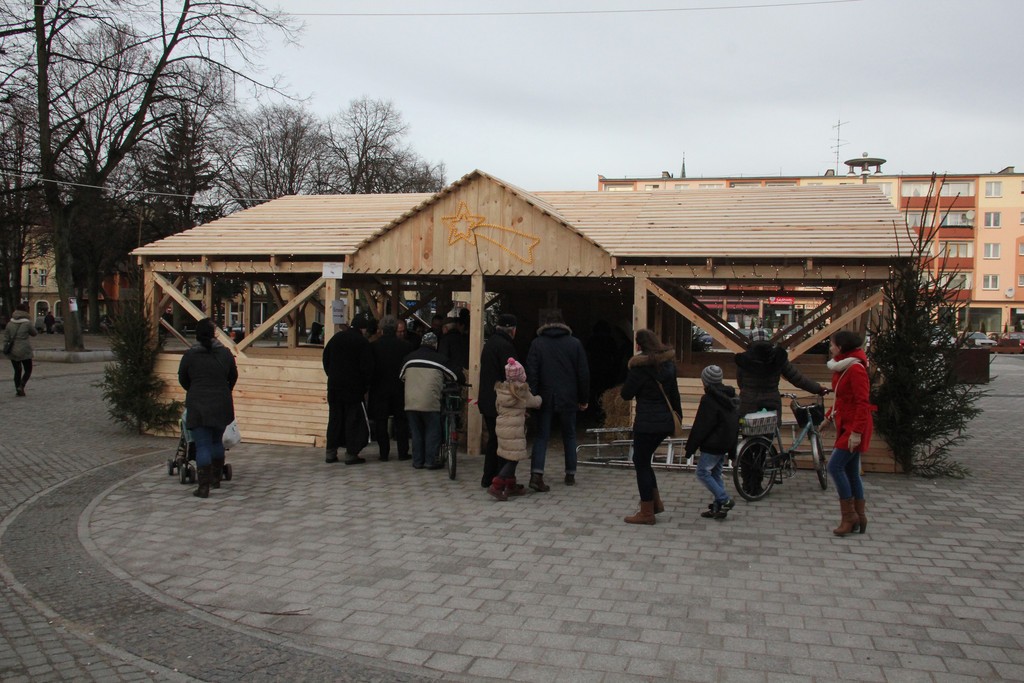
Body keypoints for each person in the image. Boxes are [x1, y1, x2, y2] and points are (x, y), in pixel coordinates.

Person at [619, 329, 681, 525]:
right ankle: (655, 504)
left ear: (639, 345)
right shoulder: (668, 365)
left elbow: (626, 394)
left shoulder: (639, 368)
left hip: (647, 423)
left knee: (641, 462)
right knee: (644, 461)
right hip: (665, 421)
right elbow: (675, 394)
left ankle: (647, 512)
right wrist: (678, 417)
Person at [526, 309, 590, 491]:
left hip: (544, 396)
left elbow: (532, 373)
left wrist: (532, 397)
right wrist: (583, 398)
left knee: (541, 436)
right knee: (569, 435)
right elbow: (583, 373)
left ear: (545, 324)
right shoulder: (575, 344)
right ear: (563, 323)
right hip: (569, 396)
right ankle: (570, 473)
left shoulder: (537, 344)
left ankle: (536, 474)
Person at [177, 318, 238, 498]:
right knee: (216, 441)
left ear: (197, 335)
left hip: (198, 403)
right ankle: (216, 479)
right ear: (214, 334)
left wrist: (194, 389)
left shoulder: (190, 355)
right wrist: (224, 390)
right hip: (221, 402)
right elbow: (233, 376)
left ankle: (203, 487)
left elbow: (183, 379)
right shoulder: (225, 354)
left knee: (202, 444)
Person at [826, 330, 873, 536]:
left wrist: (856, 432)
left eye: (832, 344)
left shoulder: (855, 369)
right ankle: (860, 517)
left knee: (835, 466)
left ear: (841, 347)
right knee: (851, 471)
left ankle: (849, 517)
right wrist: (828, 416)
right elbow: (842, 398)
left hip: (854, 426)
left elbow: (863, 402)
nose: (830, 348)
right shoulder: (843, 366)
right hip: (846, 423)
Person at [400, 332, 463, 470]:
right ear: (435, 344)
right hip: (430, 402)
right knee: (432, 431)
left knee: (416, 432)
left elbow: (401, 376)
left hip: (411, 402)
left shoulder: (408, 359)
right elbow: (455, 376)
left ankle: (417, 461)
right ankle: (430, 461)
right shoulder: (440, 359)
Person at [685, 365, 740, 520]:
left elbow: (701, 426)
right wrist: (732, 451)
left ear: (705, 381)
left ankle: (725, 499)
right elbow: (734, 426)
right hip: (725, 443)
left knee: (702, 472)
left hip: (712, 444)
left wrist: (690, 448)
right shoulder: (732, 398)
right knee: (716, 474)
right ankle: (718, 507)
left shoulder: (709, 400)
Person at [735, 328, 827, 421]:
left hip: (748, 402)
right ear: (768, 340)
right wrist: (818, 389)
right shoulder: (778, 357)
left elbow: (740, 383)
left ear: (750, 341)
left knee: (747, 427)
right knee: (772, 427)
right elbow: (797, 378)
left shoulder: (744, 359)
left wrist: (747, 391)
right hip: (771, 401)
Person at [488, 358, 542, 501]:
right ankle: (497, 485)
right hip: (514, 430)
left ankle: (511, 485)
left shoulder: (501, 389)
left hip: (501, 427)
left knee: (508, 455)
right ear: (522, 375)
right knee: (514, 458)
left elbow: (498, 407)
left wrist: (517, 412)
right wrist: (541, 398)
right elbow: (534, 402)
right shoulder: (522, 390)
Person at [322, 318, 374, 465]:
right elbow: (367, 367)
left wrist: (332, 375)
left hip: (334, 387)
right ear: (363, 329)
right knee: (353, 421)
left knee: (335, 419)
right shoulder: (362, 342)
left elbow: (325, 359)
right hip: (353, 389)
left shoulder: (336, 338)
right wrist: (365, 386)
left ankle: (330, 452)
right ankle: (351, 454)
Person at [478, 313, 520, 488]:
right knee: (504, 441)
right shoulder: (506, 347)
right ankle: (501, 479)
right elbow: (511, 377)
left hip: (486, 399)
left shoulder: (490, 344)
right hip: (500, 402)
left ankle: (488, 477)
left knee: (493, 439)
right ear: (513, 330)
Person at [368, 315, 414, 461]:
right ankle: (402, 452)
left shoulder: (373, 346)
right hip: (400, 388)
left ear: (381, 329)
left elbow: (370, 368)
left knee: (381, 421)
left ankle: (384, 453)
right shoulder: (406, 346)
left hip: (379, 388)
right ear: (395, 329)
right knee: (401, 421)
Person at [4, 302, 38, 397]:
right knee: (28, 369)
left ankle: (17, 389)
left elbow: (6, 338)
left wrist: (5, 347)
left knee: (17, 371)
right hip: (24, 350)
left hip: (13, 350)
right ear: (25, 311)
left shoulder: (10, 323)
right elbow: (34, 333)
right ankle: (21, 386)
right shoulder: (27, 323)